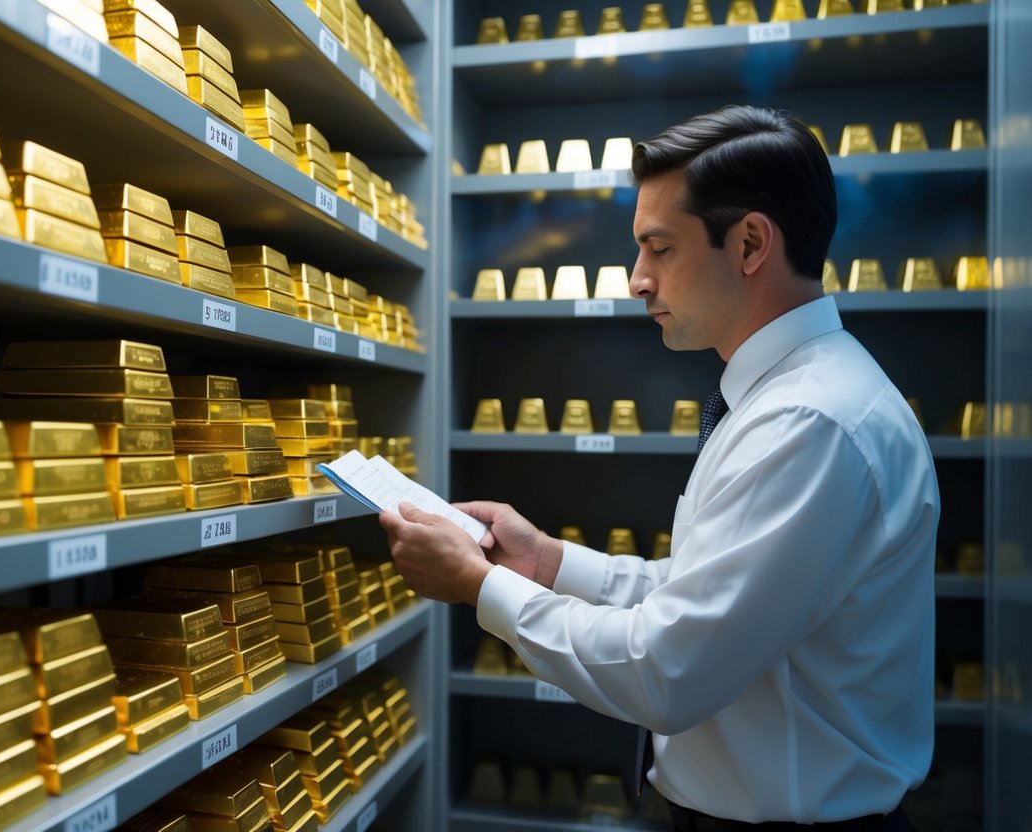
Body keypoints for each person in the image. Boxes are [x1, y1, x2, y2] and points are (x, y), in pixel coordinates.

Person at [379, 105, 939, 831]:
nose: (637, 279)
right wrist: (547, 563)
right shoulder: (788, 401)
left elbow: (667, 671)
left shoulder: (807, 423)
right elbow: (704, 597)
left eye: (658, 248)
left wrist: (479, 586)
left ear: (748, 244)